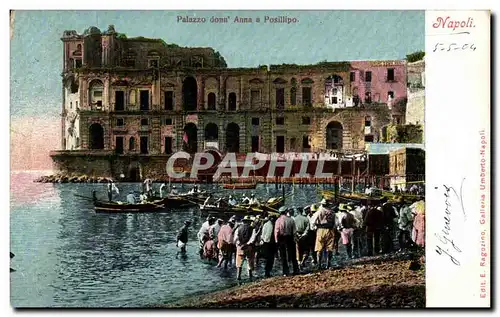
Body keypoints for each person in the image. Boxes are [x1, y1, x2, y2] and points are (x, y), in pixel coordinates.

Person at [274, 206, 299, 276]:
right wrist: (295, 239)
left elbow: (276, 231)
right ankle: (295, 269)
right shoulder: (291, 220)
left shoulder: (278, 220)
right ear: (286, 212)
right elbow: (294, 231)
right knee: (293, 254)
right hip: (290, 238)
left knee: (283, 255)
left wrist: (276, 241)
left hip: (281, 238)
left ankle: (285, 271)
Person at [234, 216, 257, 280]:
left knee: (239, 262)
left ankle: (238, 277)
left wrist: (240, 244)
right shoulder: (252, 229)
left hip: (240, 247)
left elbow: (235, 238)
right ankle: (250, 276)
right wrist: (247, 244)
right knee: (249, 261)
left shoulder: (238, 228)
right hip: (249, 247)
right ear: (249, 222)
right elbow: (253, 238)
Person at [314, 199, 335, 269]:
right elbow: (336, 223)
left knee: (319, 248)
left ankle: (319, 265)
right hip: (330, 230)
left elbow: (312, 221)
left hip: (321, 230)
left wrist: (314, 228)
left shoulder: (319, 211)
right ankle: (328, 264)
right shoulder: (332, 212)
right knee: (329, 248)